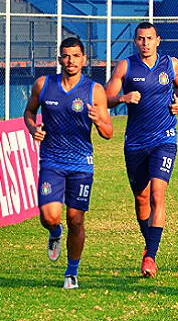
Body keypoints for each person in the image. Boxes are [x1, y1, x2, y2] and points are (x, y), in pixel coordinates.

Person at [24, 37, 114, 289]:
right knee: (49, 217)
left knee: (76, 219)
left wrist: (98, 120)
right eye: (66, 55)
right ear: (59, 58)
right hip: (52, 161)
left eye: (75, 56)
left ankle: (71, 273)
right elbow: (29, 112)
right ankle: (55, 233)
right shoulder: (44, 84)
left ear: (84, 59)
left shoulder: (94, 90)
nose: (70, 60)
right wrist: (33, 128)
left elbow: (109, 132)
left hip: (81, 165)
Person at [105, 22, 178, 278]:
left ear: (158, 40)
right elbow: (105, 99)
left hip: (164, 139)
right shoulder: (126, 66)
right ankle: (149, 246)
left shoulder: (170, 65)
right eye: (141, 39)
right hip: (135, 143)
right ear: (135, 41)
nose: (145, 43)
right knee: (141, 199)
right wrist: (123, 98)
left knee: (157, 195)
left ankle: (150, 256)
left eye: (149, 38)